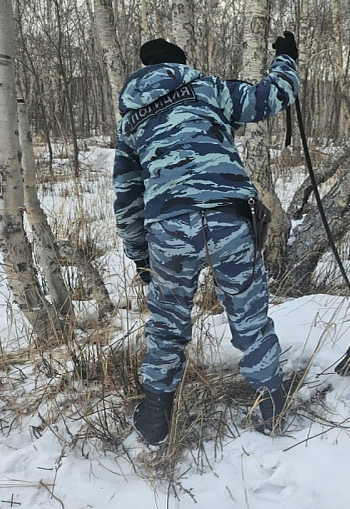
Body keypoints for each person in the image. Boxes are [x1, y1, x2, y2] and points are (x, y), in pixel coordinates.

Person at [113, 33, 299, 446]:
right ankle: (271, 404)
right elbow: (270, 98)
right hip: (227, 219)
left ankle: (156, 417)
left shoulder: (131, 121)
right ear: (181, 64)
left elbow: (126, 197)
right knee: (249, 313)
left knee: (168, 322)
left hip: (167, 227)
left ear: (144, 69)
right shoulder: (207, 87)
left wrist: (141, 255)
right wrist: (286, 58)